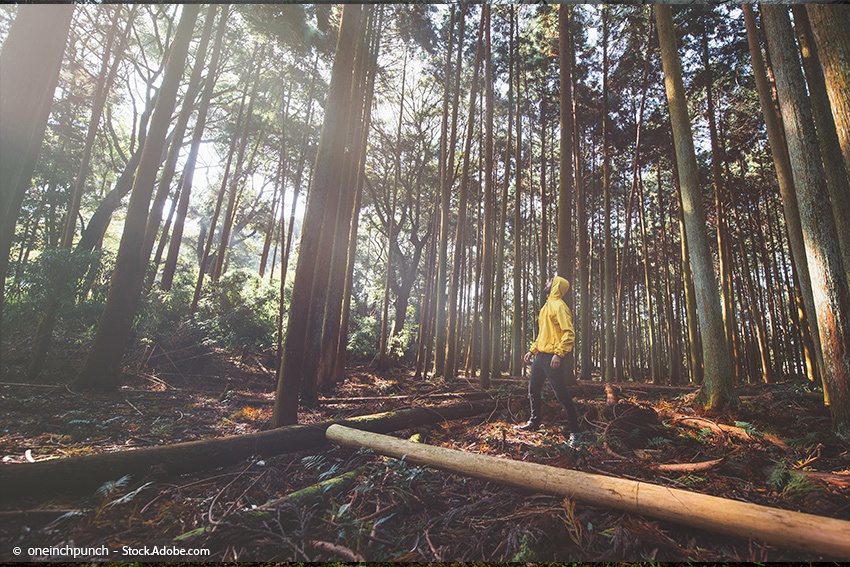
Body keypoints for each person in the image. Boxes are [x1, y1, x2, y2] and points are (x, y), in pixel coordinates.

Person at [514, 275, 582, 448]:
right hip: (540, 357)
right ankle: (534, 422)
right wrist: (532, 350)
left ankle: (575, 432)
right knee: (533, 390)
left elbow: (569, 332)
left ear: (556, 286)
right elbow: (543, 334)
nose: (546, 282)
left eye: (549, 281)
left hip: (553, 358)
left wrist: (559, 354)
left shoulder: (560, 306)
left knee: (561, 394)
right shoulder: (546, 307)